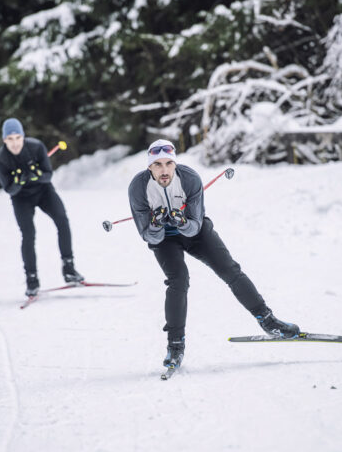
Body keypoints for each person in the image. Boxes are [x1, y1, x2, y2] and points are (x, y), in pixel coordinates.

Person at [127, 139, 300, 368]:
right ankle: (175, 344)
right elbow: (148, 236)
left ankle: (268, 321)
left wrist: (181, 221)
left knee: (230, 270)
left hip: (195, 232)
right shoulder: (138, 187)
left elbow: (194, 226)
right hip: (164, 240)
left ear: (175, 163)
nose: (164, 170)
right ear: (149, 166)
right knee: (178, 280)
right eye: (158, 165)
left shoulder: (190, 179)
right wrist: (157, 224)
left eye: (169, 163)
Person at [0, 118, 83, 296]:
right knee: (28, 234)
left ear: (23, 137)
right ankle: (32, 280)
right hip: (21, 198)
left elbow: (48, 175)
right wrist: (19, 180)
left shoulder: (36, 147)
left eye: (18, 138)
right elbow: (9, 189)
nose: (15, 143)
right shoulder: (0, 159)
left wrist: (36, 174)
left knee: (62, 220)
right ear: (4, 140)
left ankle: (69, 269)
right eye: (10, 139)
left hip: (43, 191)